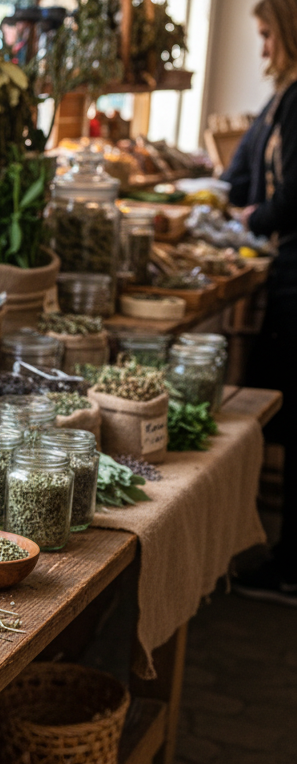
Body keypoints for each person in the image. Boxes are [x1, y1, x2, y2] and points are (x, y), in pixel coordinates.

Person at [226, 0, 297, 604]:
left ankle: (290, 565)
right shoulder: (284, 99)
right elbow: (243, 169)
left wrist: (253, 217)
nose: (264, 48)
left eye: (269, 35)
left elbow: (293, 195)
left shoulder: (296, 102)